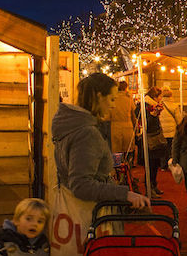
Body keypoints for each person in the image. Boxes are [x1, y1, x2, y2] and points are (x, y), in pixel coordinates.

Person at [52, 72, 149, 209]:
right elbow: (81, 185)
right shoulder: (87, 133)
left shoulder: (73, 126)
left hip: (72, 209)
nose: (113, 106)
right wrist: (125, 194)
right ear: (99, 97)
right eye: (112, 99)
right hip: (87, 214)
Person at [136, 86, 166, 196]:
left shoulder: (154, 106)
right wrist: (153, 115)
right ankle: (149, 188)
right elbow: (145, 124)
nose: (161, 99)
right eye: (160, 96)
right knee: (150, 164)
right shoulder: (144, 106)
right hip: (148, 139)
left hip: (155, 137)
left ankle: (154, 185)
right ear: (154, 96)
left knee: (155, 164)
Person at [110, 80, 136, 157]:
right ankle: (127, 166)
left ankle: (117, 166)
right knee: (127, 151)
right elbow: (133, 114)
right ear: (126, 88)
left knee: (116, 151)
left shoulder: (113, 99)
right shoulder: (129, 99)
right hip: (128, 127)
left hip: (115, 128)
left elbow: (107, 116)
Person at [158, 85, 182, 170]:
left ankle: (163, 165)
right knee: (171, 148)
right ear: (171, 95)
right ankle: (171, 164)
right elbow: (179, 119)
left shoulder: (158, 105)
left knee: (163, 149)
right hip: (172, 131)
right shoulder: (174, 105)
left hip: (162, 131)